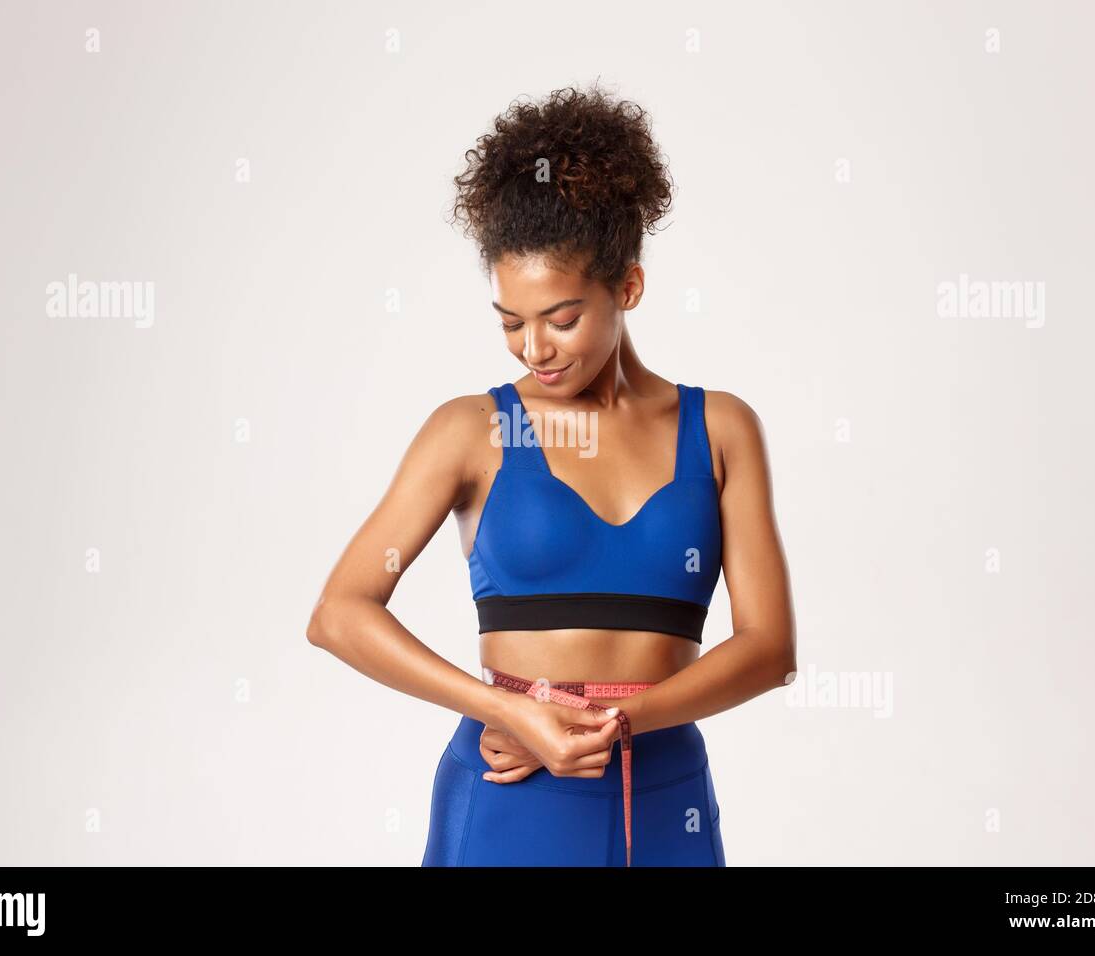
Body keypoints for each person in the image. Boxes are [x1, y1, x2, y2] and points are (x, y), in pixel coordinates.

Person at [306, 81, 795, 866]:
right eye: (511, 323)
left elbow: (769, 650)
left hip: (667, 801)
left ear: (626, 287)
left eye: (561, 319)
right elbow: (338, 613)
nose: (534, 349)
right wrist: (511, 712)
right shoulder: (474, 430)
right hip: (509, 795)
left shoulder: (721, 429)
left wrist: (614, 723)